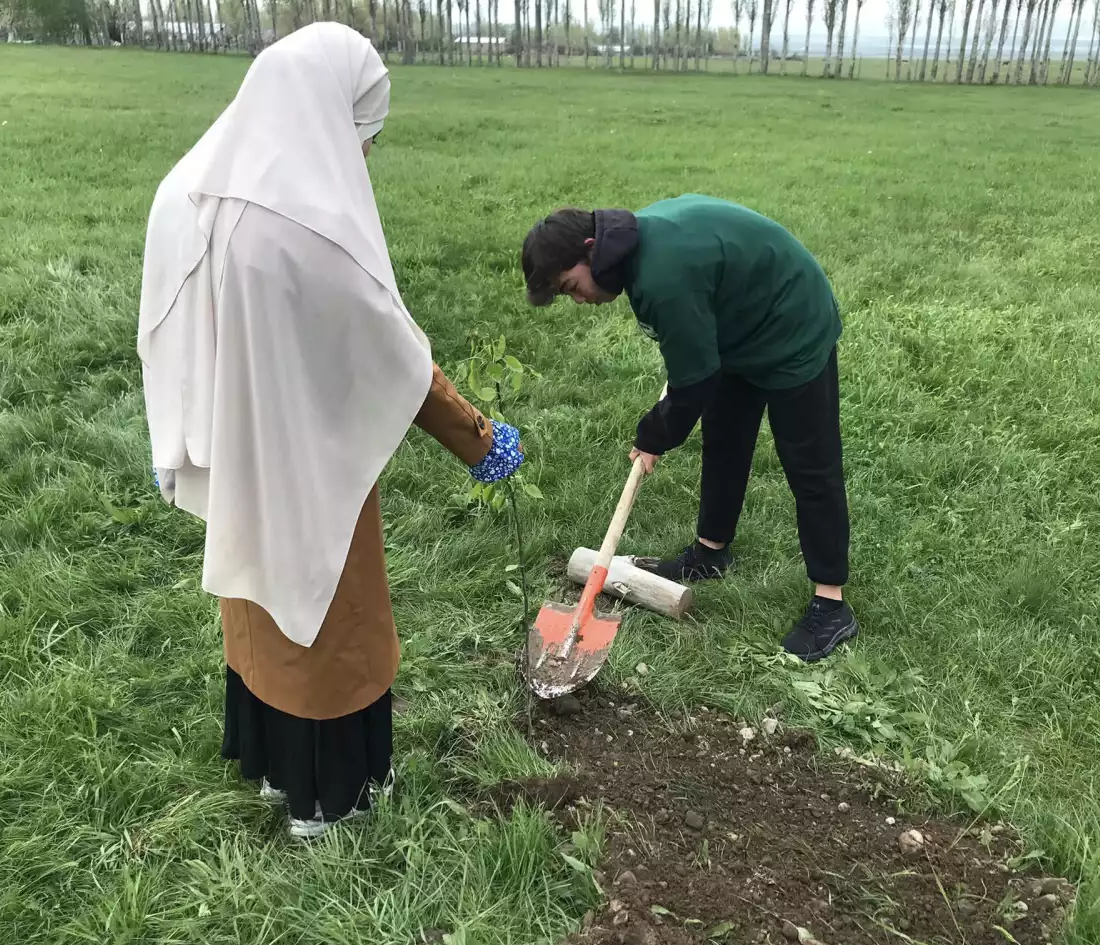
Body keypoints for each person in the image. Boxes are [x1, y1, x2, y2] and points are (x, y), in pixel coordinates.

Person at [137, 23, 524, 840]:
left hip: (228, 447)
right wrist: (479, 439)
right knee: (326, 620)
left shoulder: (188, 187)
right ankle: (329, 801)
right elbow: (393, 356)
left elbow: (160, 321)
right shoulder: (313, 227)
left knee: (252, 603)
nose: (365, 156)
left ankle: (276, 773)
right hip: (309, 462)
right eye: (363, 135)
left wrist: (168, 438)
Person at [521, 194, 856, 662]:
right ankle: (710, 552)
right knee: (724, 439)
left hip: (791, 321)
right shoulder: (634, 250)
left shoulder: (662, 276)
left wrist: (653, 435)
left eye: (570, 286)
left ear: (592, 248)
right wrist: (669, 413)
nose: (577, 299)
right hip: (734, 326)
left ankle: (831, 605)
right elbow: (693, 363)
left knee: (809, 461)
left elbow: (693, 382)